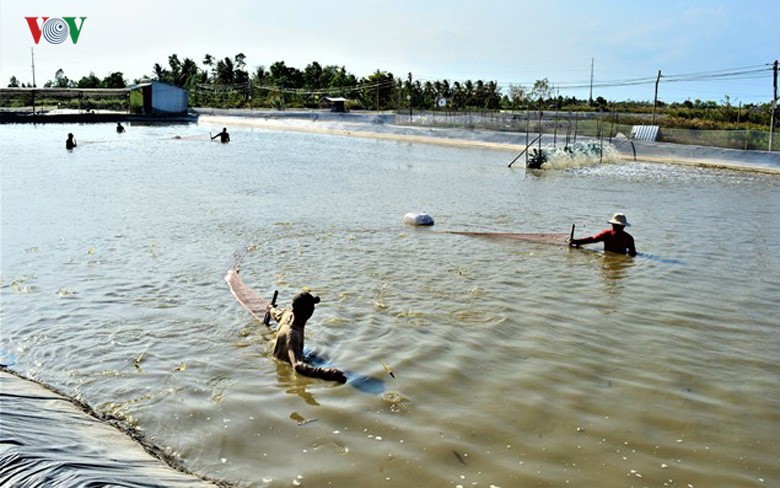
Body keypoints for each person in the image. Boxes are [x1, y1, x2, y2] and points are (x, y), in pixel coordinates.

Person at [267, 291, 347, 383]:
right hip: (284, 370)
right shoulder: (293, 335)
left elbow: (274, 313)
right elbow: (297, 366)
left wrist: (270, 308)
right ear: (309, 312)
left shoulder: (287, 314)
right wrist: (327, 373)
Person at [569, 213, 637, 256]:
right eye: (616, 226)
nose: (618, 228)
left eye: (620, 226)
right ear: (612, 225)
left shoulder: (628, 238)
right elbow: (593, 239)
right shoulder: (606, 235)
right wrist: (576, 241)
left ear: (623, 227)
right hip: (607, 256)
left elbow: (632, 254)